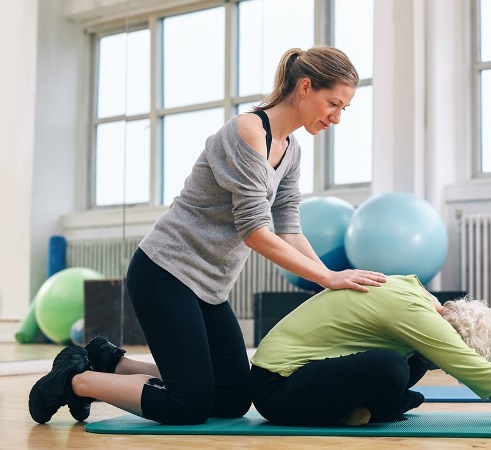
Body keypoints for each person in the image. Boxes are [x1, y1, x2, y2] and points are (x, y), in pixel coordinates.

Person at [27, 47, 386, 425]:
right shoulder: (247, 132)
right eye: (334, 103)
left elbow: (289, 228)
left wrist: (333, 281)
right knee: (190, 404)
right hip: (165, 274)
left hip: (209, 289)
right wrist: (328, 277)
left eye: (344, 108)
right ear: (305, 87)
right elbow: (255, 232)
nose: (337, 117)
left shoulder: (291, 151)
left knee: (232, 398)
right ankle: (77, 379)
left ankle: (109, 361)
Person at [250, 274, 491, 428]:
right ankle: (372, 409)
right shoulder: (417, 318)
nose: (446, 371)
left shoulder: (425, 299)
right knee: (391, 367)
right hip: (278, 390)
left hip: (313, 373)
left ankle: (369, 409)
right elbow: (486, 378)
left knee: (407, 363)